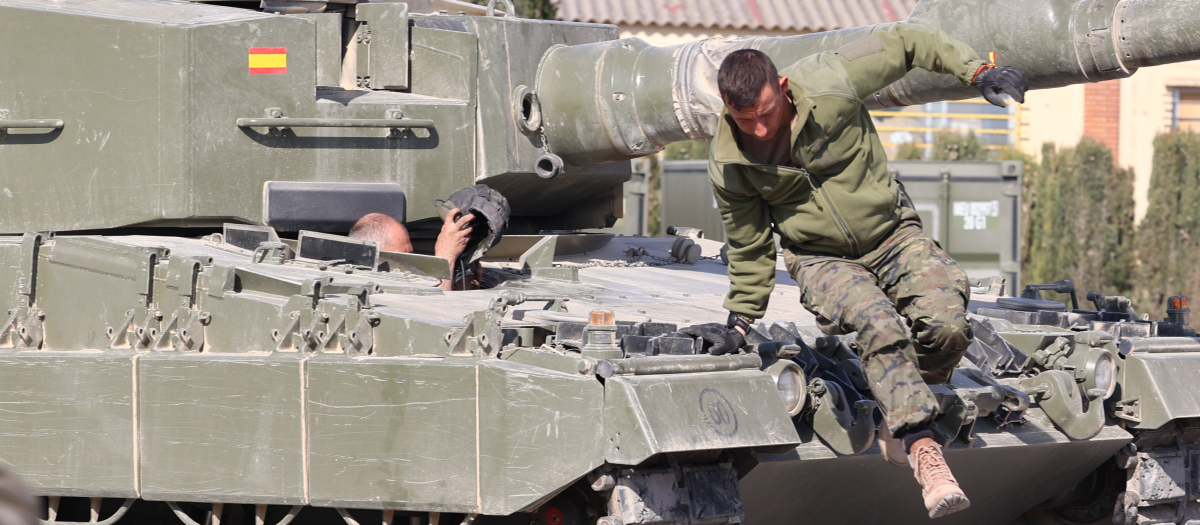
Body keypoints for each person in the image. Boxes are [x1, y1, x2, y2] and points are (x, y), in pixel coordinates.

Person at [702, 26, 1028, 519]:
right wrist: (741, 319)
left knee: (948, 325)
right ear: (728, 109)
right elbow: (749, 246)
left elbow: (907, 41)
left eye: (767, 113)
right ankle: (923, 450)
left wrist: (977, 70)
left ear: (784, 87)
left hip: (892, 233)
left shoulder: (831, 79)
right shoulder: (731, 164)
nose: (761, 130)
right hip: (820, 258)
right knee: (878, 322)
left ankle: (898, 416)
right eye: (745, 120)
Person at [349, 211, 482, 291]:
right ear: (370, 256)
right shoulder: (360, 290)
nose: (409, 266)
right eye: (401, 258)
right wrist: (446, 256)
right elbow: (434, 314)